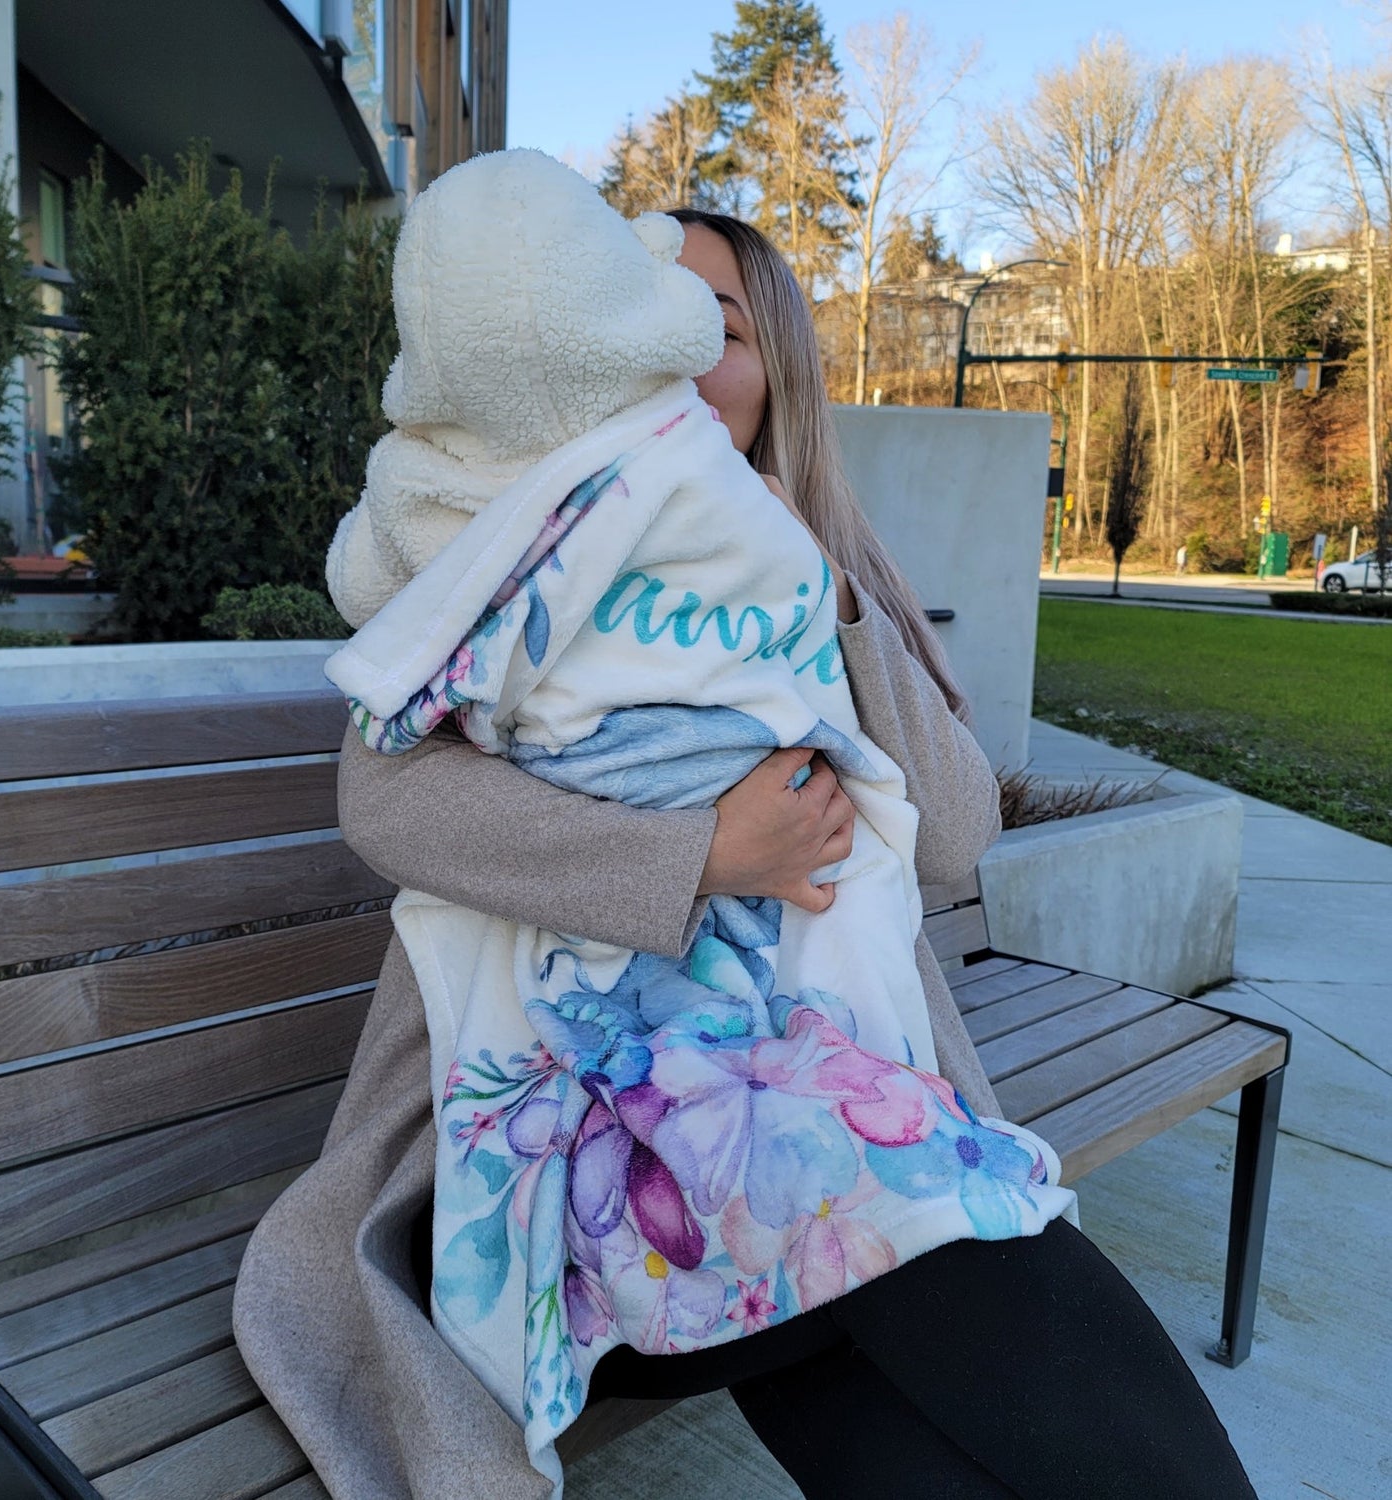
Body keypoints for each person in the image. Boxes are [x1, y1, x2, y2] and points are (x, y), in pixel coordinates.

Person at [234, 160, 1256, 1500]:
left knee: (898, 1373)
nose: (674, 346)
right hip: (564, 1162)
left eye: (714, 323)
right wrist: (704, 859)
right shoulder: (526, 548)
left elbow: (951, 838)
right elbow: (388, 795)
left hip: (781, 1163)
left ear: (773, 365)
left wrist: (828, 599)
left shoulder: (824, 570)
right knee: (943, 1216)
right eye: (647, 310)